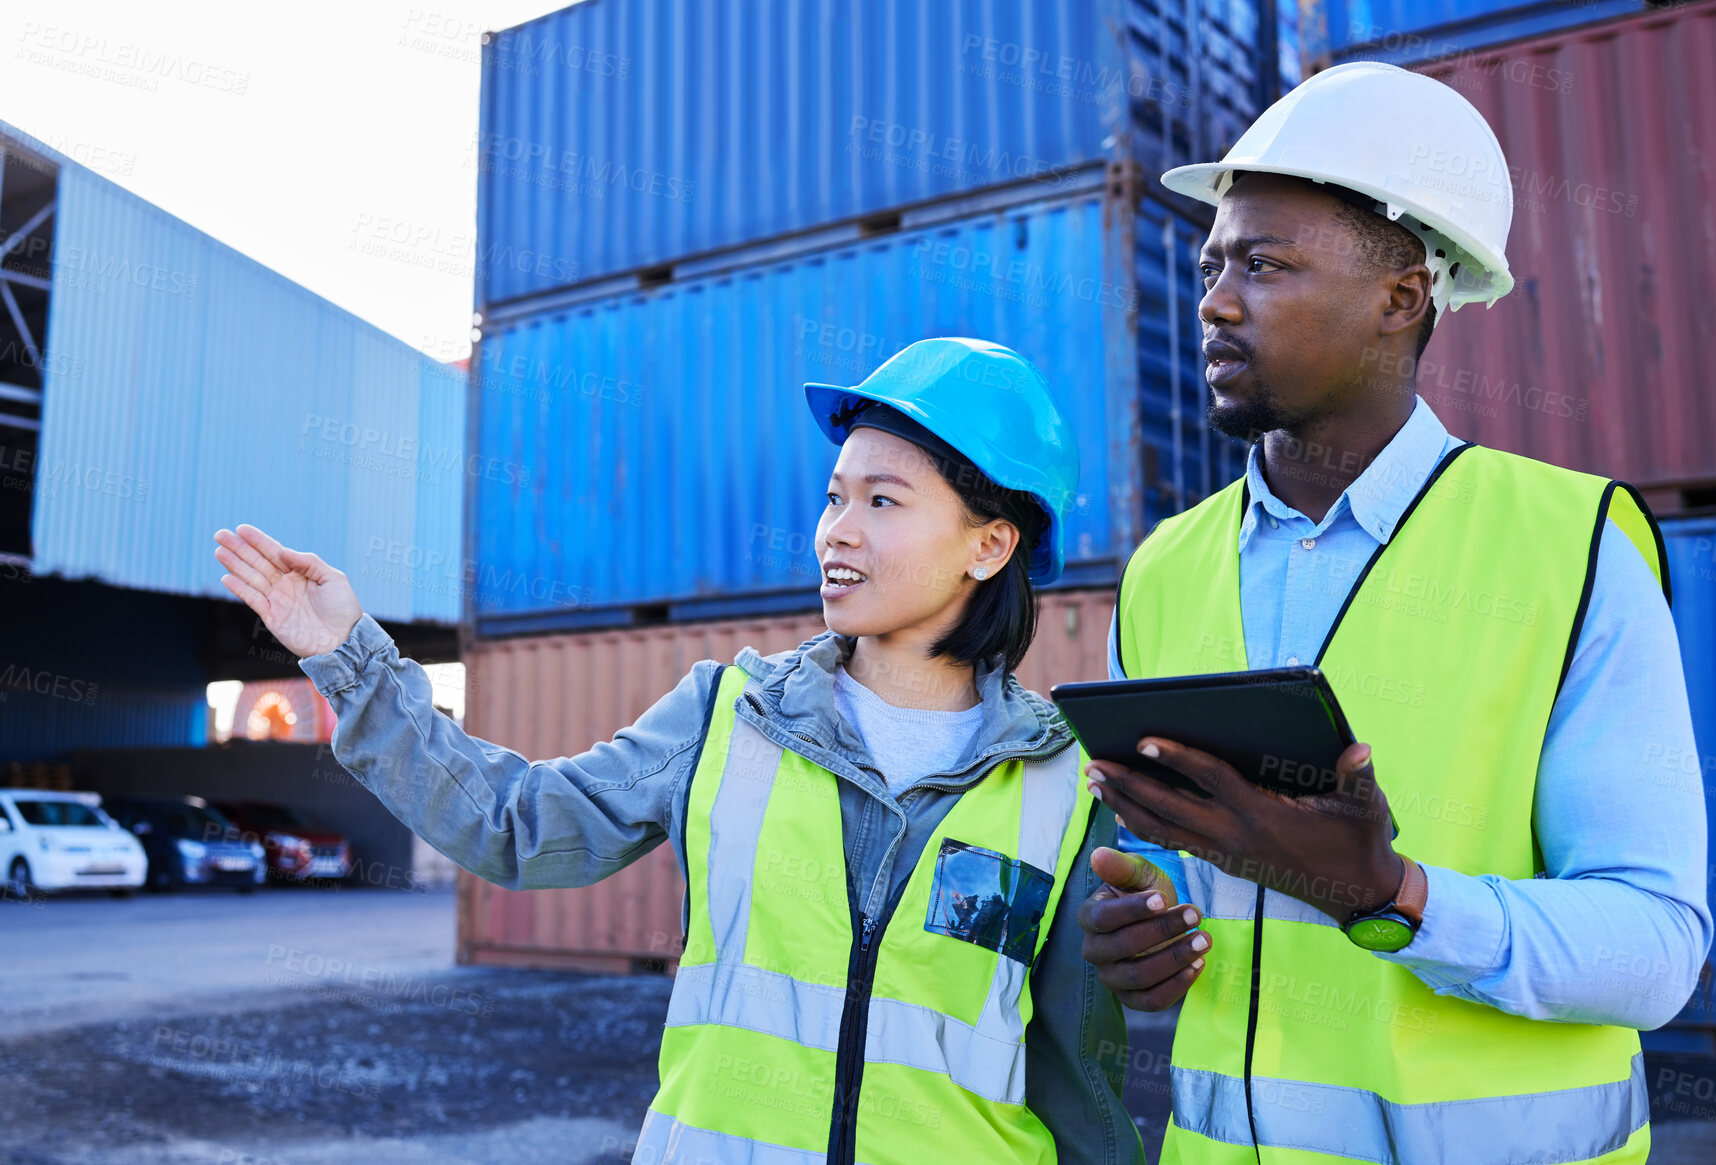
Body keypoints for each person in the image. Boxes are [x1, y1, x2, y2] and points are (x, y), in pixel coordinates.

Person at [214, 337, 1147, 1165]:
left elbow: (1082, 1080)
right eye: (834, 496)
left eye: (883, 499)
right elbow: (519, 825)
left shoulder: (1066, 781)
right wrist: (352, 661)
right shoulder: (727, 714)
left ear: (989, 545)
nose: (837, 529)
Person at [1077, 62, 1711, 1163]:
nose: (1214, 302)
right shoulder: (1163, 568)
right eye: (1212, 264)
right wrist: (1148, 919)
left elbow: (1657, 953)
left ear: (1401, 297)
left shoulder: (1573, 551)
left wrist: (1390, 894)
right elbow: (1187, 861)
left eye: (1265, 266)